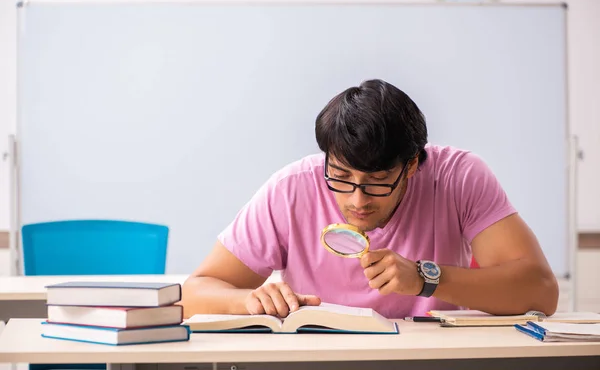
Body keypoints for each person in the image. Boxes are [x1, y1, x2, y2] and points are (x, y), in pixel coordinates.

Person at [180, 79, 559, 319]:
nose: (357, 200)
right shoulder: (292, 188)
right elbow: (193, 294)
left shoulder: (458, 176)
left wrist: (427, 280)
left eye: (377, 181)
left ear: (411, 166)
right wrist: (249, 301)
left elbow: (540, 292)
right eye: (341, 177)